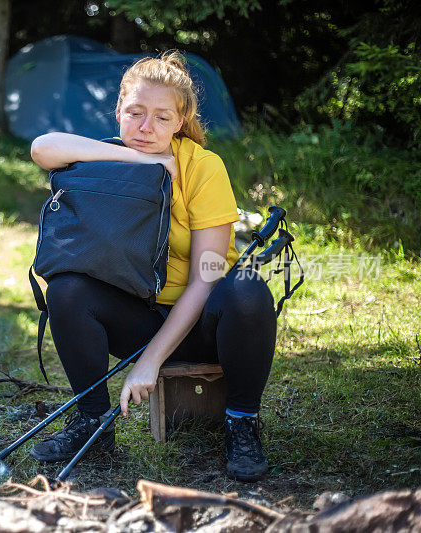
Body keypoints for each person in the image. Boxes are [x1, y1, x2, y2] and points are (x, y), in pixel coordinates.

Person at [27, 51, 277, 482]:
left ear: (180, 122)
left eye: (162, 118)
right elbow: (42, 148)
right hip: (137, 319)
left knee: (248, 287)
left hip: (206, 325)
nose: (146, 128)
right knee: (66, 289)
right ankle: (92, 422)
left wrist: (151, 363)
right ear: (119, 111)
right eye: (136, 113)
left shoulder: (204, 167)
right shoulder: (109, 155)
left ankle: (241, 421)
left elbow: (207, 277)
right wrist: (142, 162)